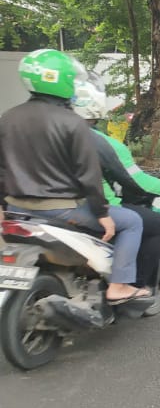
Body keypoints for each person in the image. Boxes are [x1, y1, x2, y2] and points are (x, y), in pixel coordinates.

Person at [0, 49, 150, 304]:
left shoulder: (8, 118)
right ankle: (119, 286)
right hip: (61, 210)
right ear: (62, 81)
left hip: (17, 208)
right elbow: (88, 175)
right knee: (132, 221)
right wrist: (103, 214)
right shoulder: (72, 122)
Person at [71, 80, 160, 291]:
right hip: (93, 206)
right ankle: (134, 286)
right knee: (159, 224)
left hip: (38, 207)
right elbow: (134, 180)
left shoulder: (47, 132)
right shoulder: (102, 142)